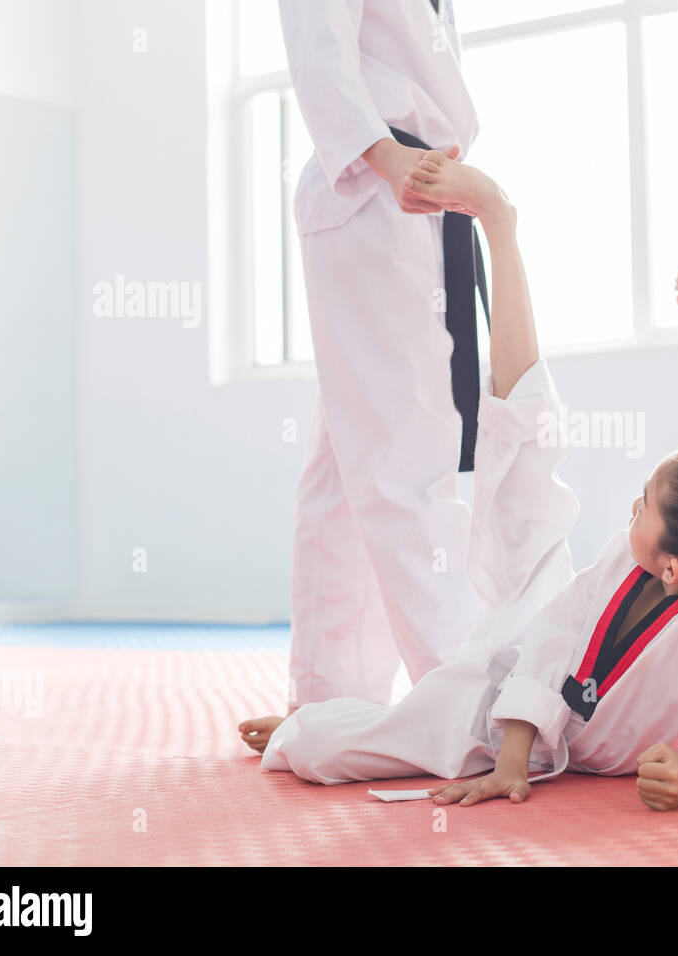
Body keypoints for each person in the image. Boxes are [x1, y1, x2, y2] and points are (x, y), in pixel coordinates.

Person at [258, 152, 678, 809]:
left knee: (315, 751)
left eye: (643, 506)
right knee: (528, 456)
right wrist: (512, 757)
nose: (631, 508)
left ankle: (320, 724)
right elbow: (554, 632)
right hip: (515, 687)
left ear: (674, 566)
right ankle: (500, 224)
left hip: (504, 719)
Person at [241, 1, 488, 752]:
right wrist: (385, 158)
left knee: (345, 467)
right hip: (381, 184)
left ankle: (327, 699)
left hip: (410, 188)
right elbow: (318, 45)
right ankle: (463, 702)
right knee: (402, 453)